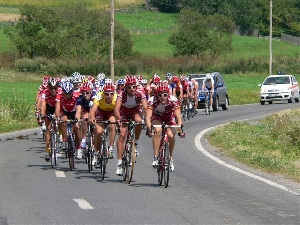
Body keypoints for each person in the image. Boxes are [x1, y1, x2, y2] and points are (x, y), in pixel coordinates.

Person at [145, 83, 185, 172]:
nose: (163, 97)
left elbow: (178, 117)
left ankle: (170, 157)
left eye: (165, 95)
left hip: (169, 117)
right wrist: (149, 129)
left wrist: (180, 130)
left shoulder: (173, 100)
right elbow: (148, 117)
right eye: (160, 95)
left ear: (168, 94)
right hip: (157, 117)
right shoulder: (152, 100)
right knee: (157, 130)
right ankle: (155, 157)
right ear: (157, 95)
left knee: (170, 135)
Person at [114, 75, 148, 175]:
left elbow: (146, 107)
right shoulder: (121, 93)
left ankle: (135, 142)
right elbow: (116, 109)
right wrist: (119, 118)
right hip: (123, 111)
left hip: (135, 110)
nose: (132, 89)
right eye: (129, 87)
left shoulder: (140, 92)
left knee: (139, 121)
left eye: (134, 87)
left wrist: (148, 119)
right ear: (126, 87)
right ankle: (119, 162)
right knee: (122, 134)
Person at [89, 83, 118, 165]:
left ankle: (111, 148)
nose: (109, 96)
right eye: (107, 94)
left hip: (111, 113)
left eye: (111, 93)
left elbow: (119, 109)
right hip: (100, 113)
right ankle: (96, 152)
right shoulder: (99, 96)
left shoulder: (116, 97)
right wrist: (92, 117)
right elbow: (93, 110)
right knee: (99, 132)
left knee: (112, 124)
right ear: (103, 93)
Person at [55, 81, 81, 158]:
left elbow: (79, 110)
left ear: (72, 92)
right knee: (63, 121)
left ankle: (79, 148)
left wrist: (77, 120)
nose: (67, 95)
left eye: (69, 93)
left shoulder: (76, 96)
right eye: (65, 93)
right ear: (63, 92)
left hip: (74, 112)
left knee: (76, 129)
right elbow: (57, 109)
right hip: (64, 112)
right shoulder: (59, 96)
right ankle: (64, 140)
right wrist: (57, 118)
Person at [38, 77, 62, 161]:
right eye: (51, 88)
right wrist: (42, 115)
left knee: (60, 121)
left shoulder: (60, 92)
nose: (53, 90)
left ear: (57, 88)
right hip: (49, 108)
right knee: (48, 128)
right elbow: (43, 104)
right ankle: (47, 149)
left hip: (58, 107)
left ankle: (60, 136)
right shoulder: (45, 92)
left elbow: (58, 107)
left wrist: (56, 116)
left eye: (55, 88)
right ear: (48, 88)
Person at [75, 82, 97, 158]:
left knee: (94, 122)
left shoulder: (95, 96)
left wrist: (92, 118)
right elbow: (78, 111)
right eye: (83, 93)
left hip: (94, 110)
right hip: (85, 110)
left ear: (91, 91)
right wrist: (77, 120)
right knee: (84, 118)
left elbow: (93, 110)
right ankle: (83, 139)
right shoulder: (80, 98)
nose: (85, 95)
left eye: (87, 93)